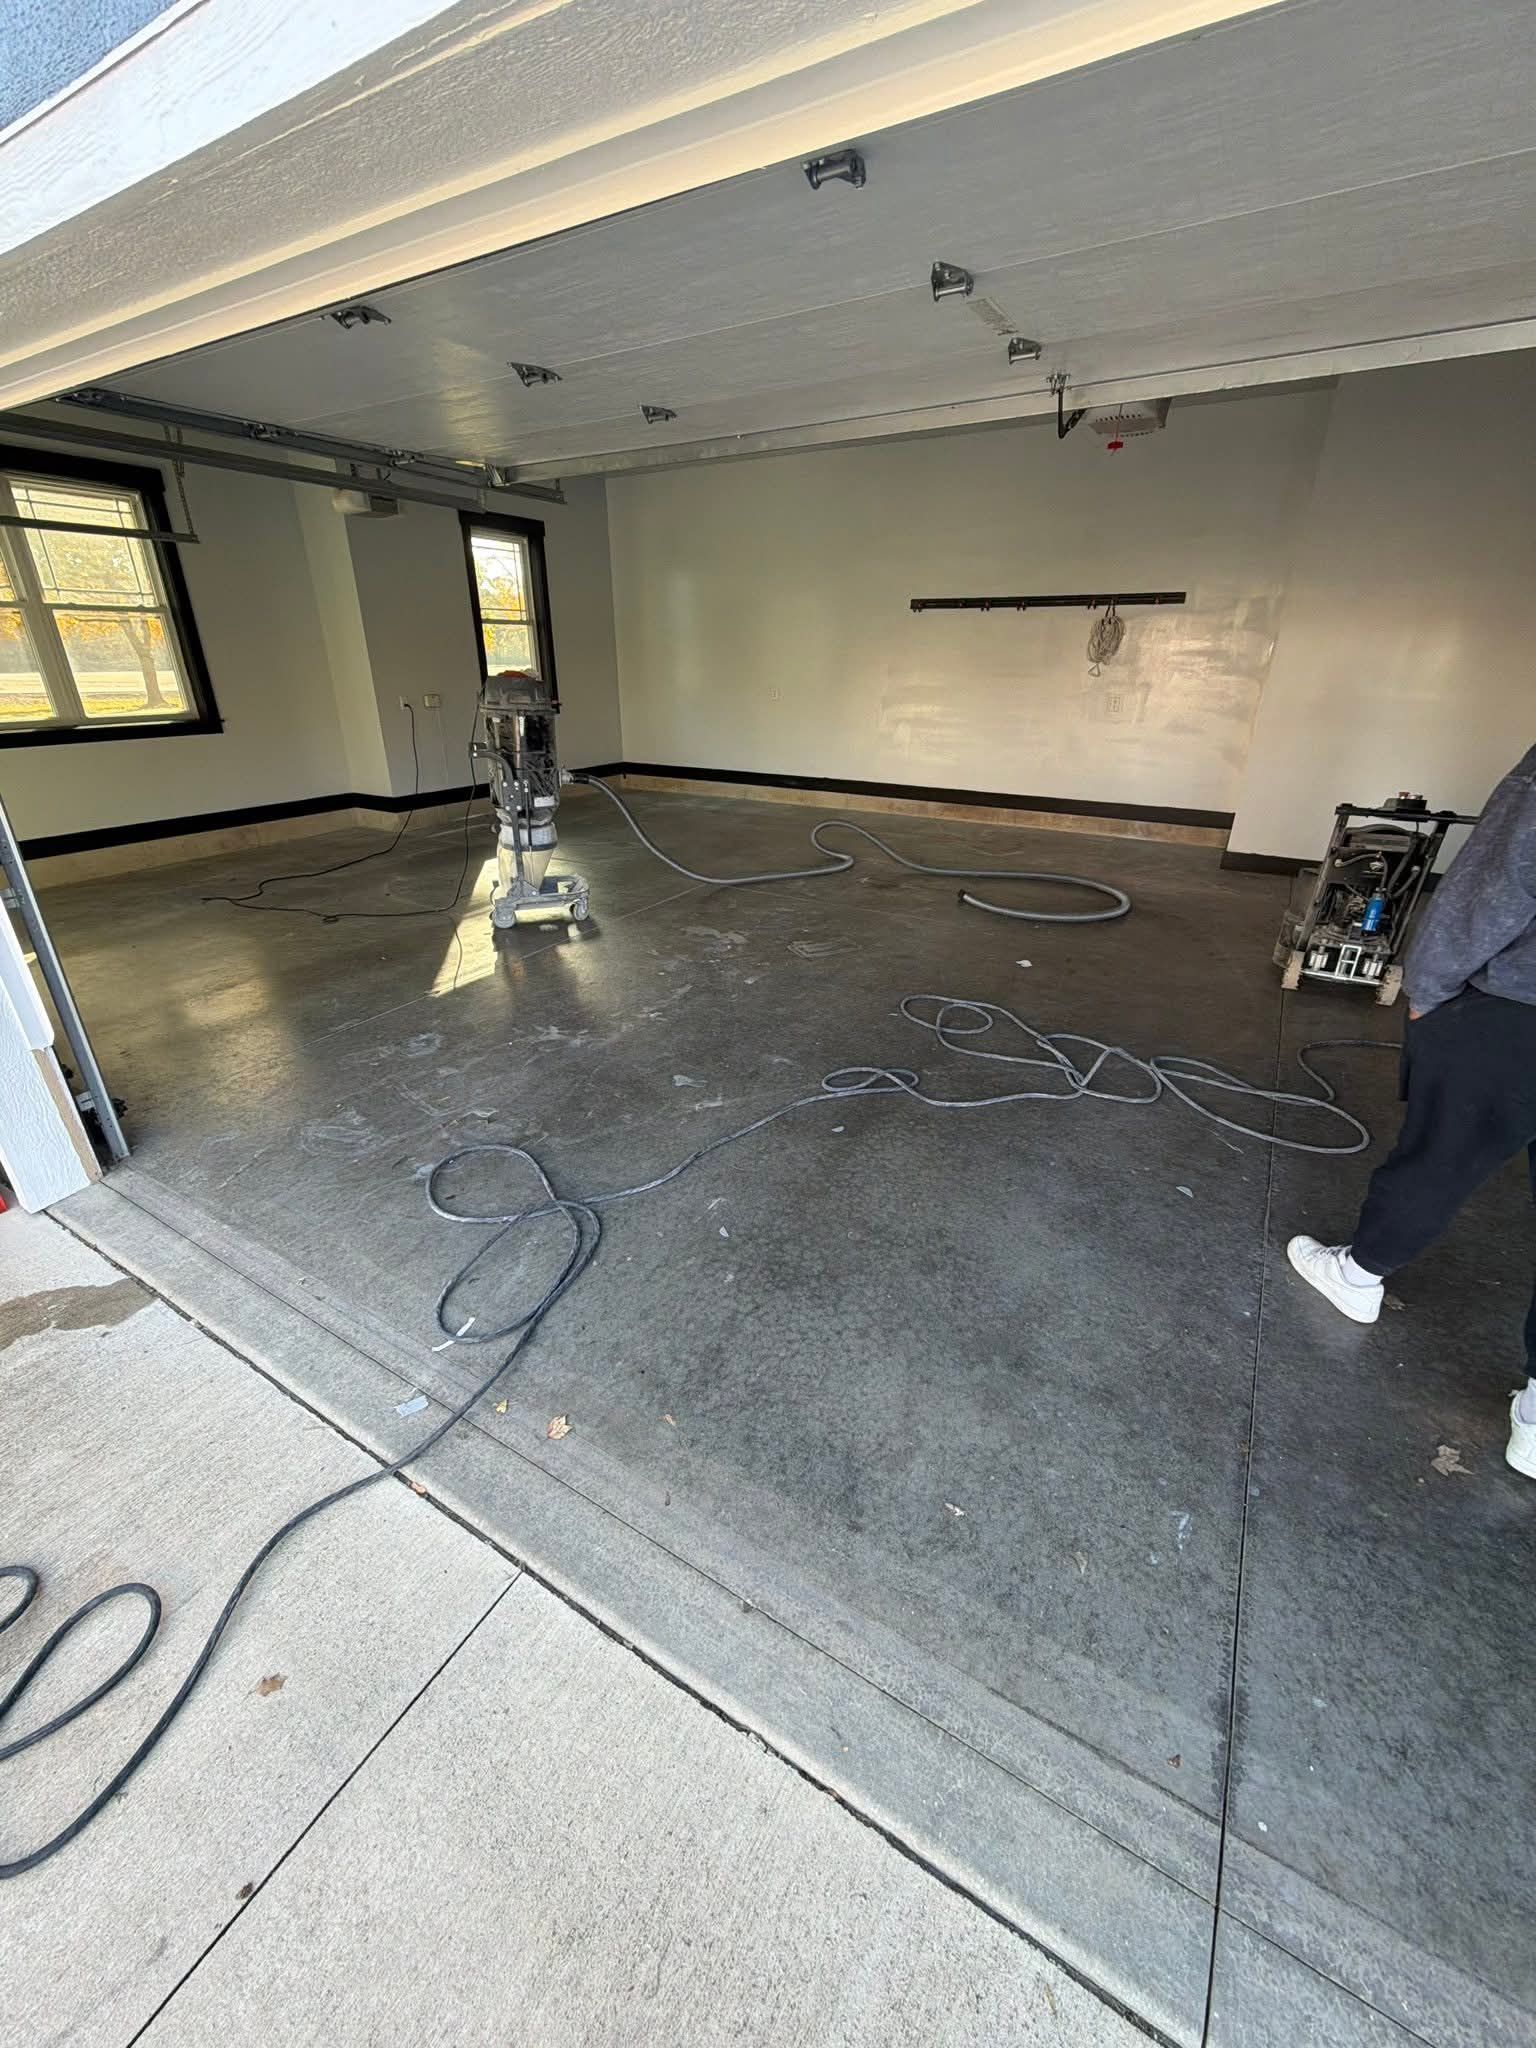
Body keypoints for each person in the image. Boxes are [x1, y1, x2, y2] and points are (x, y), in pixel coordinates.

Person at [1287, 745, 1536, 1479]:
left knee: (1440, 1154)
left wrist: (1427, 987)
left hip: (1516, 1010)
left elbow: (1497, 886)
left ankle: (1359, 1276)